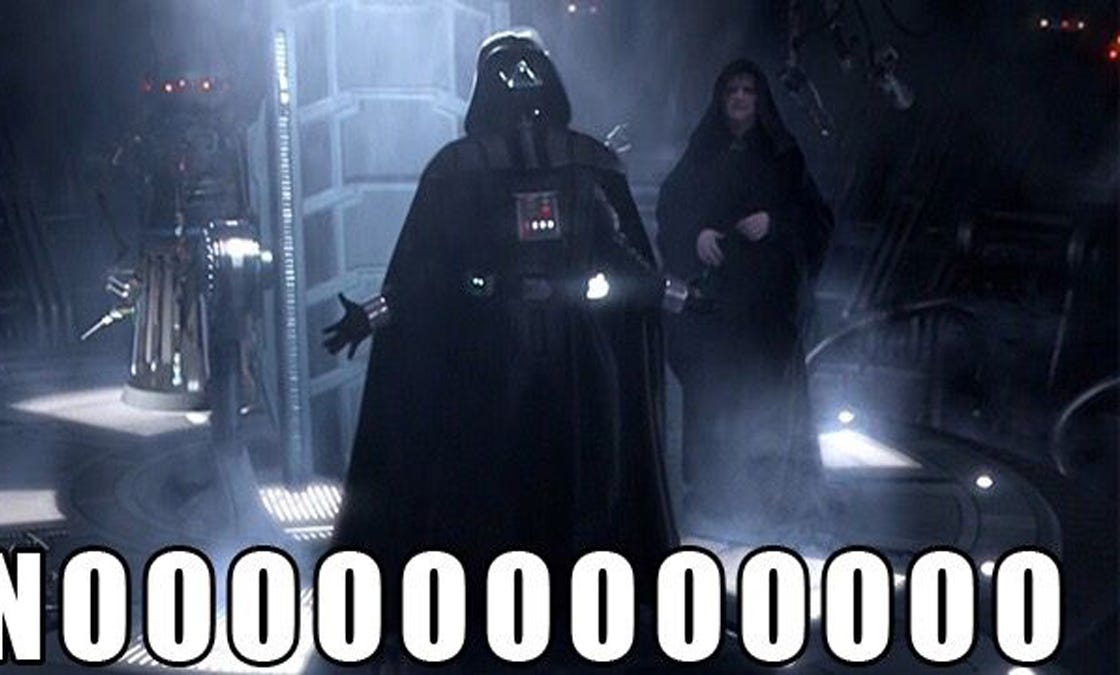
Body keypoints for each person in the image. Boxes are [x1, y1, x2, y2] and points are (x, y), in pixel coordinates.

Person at [322, 28, 682, 665]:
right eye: (510, 75)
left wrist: (673, 293)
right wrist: (375, 314)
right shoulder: (486, 168)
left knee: (567, 480)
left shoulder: (568, 164)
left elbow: (620, 259)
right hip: (497, 360)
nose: (521, 94)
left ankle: (563, 609)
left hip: (559, 357)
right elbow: (427, 272)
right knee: (500, 483)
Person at [655, 59, 834, 547]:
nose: (739, 98)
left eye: (748, 91)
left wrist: (774, 224)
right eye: (732, 90)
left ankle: (772, 504)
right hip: (716, 309)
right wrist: (696, 237)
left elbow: (816, 220)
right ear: (720, 98)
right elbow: (672, 210)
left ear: (760, 100)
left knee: (768, 402)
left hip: (765, 311)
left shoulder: (783, 156)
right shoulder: (701, 153)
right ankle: (714, 501)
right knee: (712, 400)